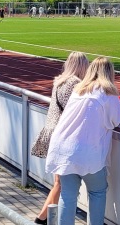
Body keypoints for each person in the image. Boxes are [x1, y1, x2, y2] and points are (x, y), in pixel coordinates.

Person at [45, 57, 120, 225]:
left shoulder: (78, 90)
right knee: (97, 192)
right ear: (109, 73)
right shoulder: (108, 93)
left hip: (63, 149)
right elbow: (117, 118)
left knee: (68, 196)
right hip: (88, 153)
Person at [31, 52, 89, 225]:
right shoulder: (74, 84)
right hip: (61, 135)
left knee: (59, 182)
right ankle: (42, 218)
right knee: (61, 183)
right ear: (81, 66)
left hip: (51, 131)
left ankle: (43, 217)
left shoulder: (60, 81)